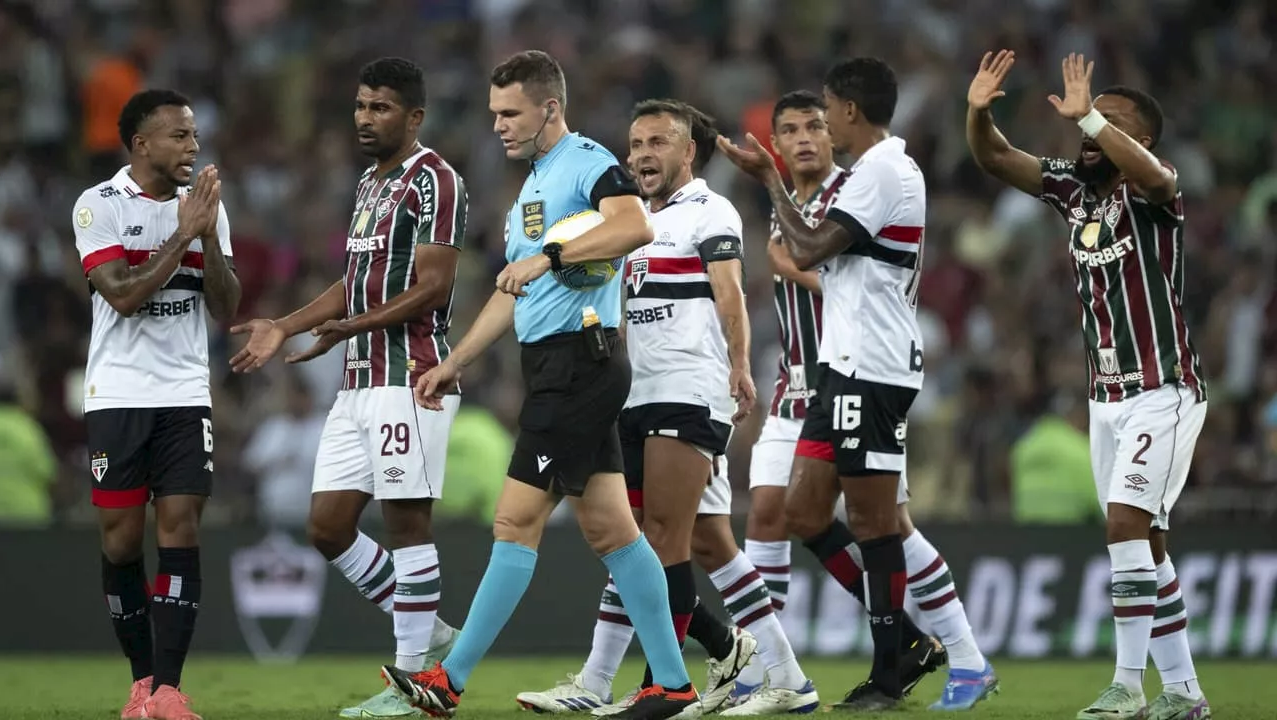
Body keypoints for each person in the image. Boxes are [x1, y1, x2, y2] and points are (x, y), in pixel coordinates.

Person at [384, 50, 697, 720]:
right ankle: (671, 684)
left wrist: (552, 256)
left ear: (549, 108)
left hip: (580, 366)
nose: (498, 125)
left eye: (510, 113)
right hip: (557, 366)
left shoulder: (585, 162)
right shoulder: (530, 189)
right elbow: (511, 291)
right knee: (614, 531)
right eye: (494, 113)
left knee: (514, 521)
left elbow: (635, 224)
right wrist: (455, 359)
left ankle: (450, 680)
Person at [515, 100, 812, 717]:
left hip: (689, 390)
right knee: (699, 542)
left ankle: (656, 687)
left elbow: (730, 293)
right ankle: (782, 676)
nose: (642, 155)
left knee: (655, 539)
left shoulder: (711, 211)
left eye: (657, 143)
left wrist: (738, 364)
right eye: (635, 144)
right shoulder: (635, 223)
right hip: (637, 395)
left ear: (687, 153)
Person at [718, 59, 998, 712]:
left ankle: (904, 666)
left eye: (821, 115)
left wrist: (770, 190)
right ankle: (897, 650)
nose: (813, 131)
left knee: (881, 522)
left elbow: (813, 253)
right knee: (802, 514)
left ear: (844, 112)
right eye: (792, 128)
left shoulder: (872, 177)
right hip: (828, 375)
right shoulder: (850, 184)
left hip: (869, 368)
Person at [966, 50, 1211, 720]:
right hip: (1106, 398)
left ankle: (1128, 685)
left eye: (1110, 121)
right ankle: (1185, 694)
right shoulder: (1073, 190)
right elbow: (995, 159)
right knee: (1146, 545)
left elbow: (1156, 175)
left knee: (1124, 524)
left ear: (1138, 137)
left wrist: (1096, 119)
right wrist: (978, 111)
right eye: (1087, 119)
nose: (1089, 128)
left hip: (1163, 386)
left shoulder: (1158, 193)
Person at [229, 57, 465, 719]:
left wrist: (351, 324)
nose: (365, 118)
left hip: (411, 377)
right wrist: (283, 323)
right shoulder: (368, 182)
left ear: (413, 116)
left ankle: (416, 690)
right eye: (361, 106)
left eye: (381, 108)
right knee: (327, 528)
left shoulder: (435, 180)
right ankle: (432, 628)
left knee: (407, 526)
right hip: (358, 378)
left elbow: (435, 285)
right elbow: (351, 282)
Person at [73, 88, 240, 720]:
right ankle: (141, 681)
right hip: (117, 395)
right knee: (121, 544)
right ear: (141, 144)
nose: (193, 147)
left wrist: (209, 238)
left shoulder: (205, 208)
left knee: (183, 528)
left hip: (183, 393)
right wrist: (184, 236)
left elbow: (224, 308)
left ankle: (168, 691)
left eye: (194, 136)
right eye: (179, 136)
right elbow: (122, 295)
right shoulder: (99, 206)